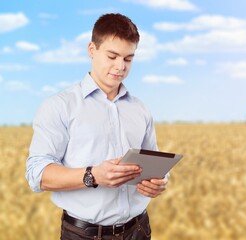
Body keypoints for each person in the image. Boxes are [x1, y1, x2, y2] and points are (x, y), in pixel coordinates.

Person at [26, 13, 168, 240]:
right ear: (92, 50)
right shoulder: (59, 106)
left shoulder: (140, 109)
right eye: (112, 56)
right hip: (84, 234)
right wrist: (94, 175)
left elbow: (154, 162)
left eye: (128, 59)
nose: (120, 66)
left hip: (140, 230)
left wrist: (159, 183)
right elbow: (38, 174)